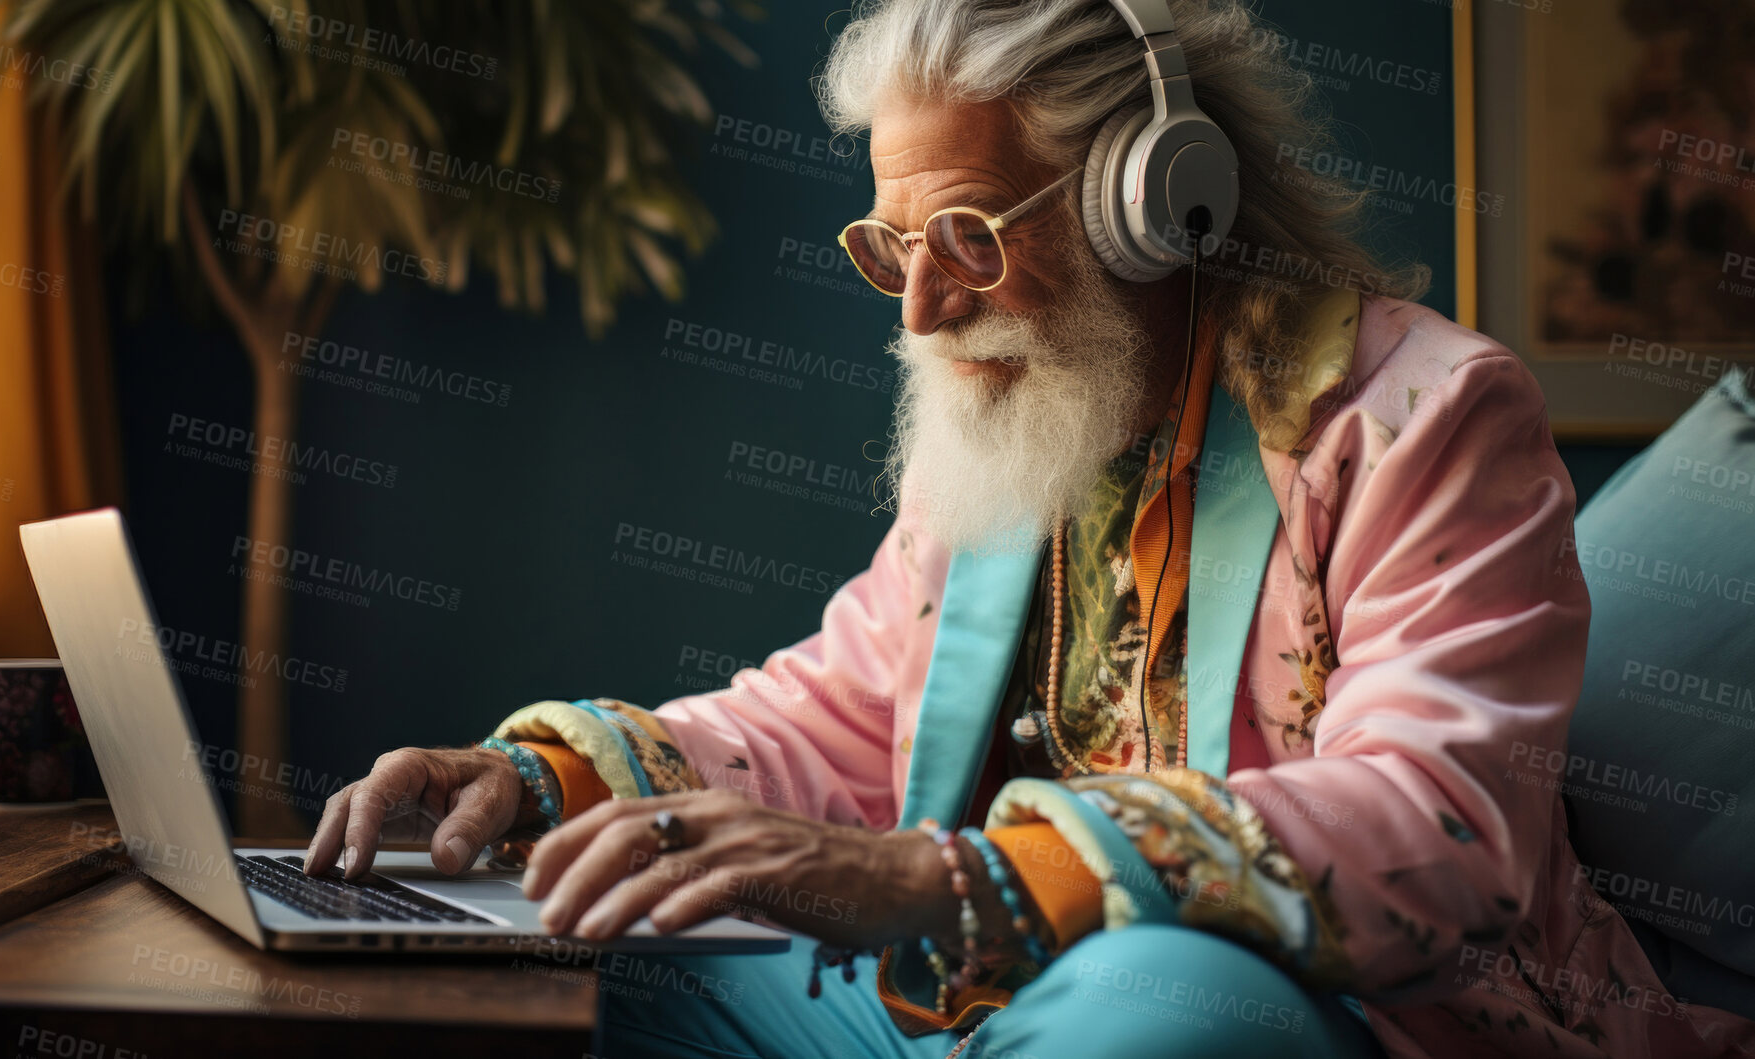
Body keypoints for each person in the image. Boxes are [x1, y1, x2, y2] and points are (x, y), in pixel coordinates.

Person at [305, 1, 1754, 1056]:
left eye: (971, 238)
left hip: (1309, 1009)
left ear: (1159, 202)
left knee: (1149, 1014)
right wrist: (542, 778)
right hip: (955, 985)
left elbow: (1438, 825)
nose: (923, 309)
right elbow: (843, 714)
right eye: (892, 248)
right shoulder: (1009, 416)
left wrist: (949, 880)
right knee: (592, 930)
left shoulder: (1421, 416)